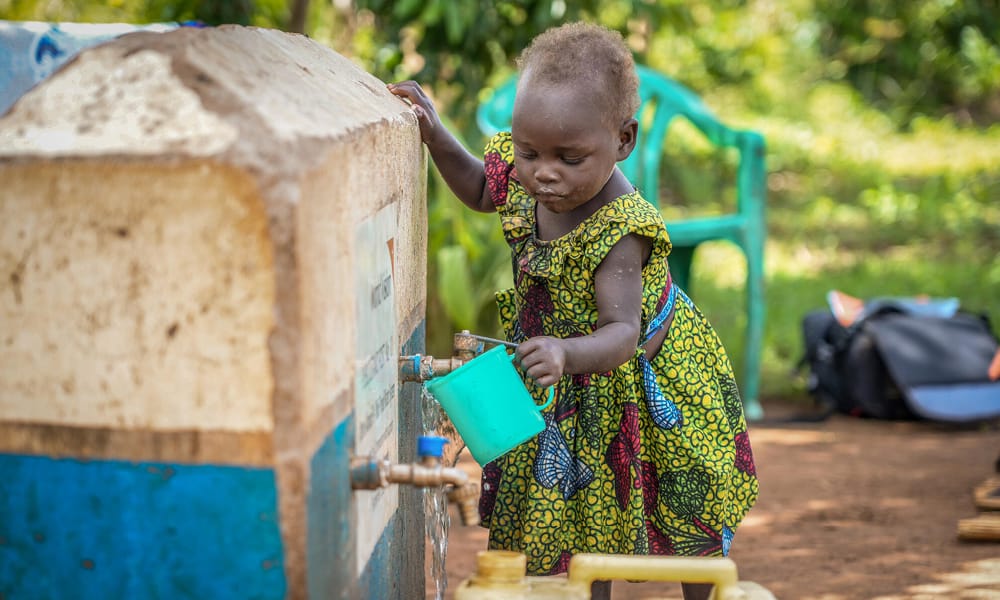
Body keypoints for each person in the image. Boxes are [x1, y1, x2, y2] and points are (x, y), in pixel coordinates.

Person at [389, 22, 758, 600]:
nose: (543, 173)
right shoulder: (530, 172)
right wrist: (437, 138)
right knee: (574, 519)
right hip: (563, 375)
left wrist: (564, 350)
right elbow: (484, 190)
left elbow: (620, 334)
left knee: (678, 507)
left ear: (624, 140)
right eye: (529, 151)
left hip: (637, 380)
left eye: (569, 157)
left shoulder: (620, 230)